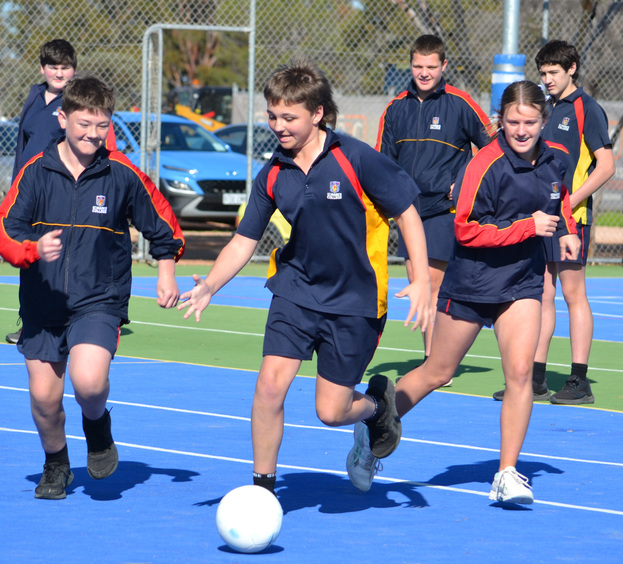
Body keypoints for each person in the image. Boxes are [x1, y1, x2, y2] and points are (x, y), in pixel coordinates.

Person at [178, 58, 433, 498]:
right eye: (272, 116)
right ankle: (263, 488)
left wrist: (424, 279)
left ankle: (376, 408)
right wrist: (208, 286)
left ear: (317, 114)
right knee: (269, 385)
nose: (278, 125)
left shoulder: (354, 158)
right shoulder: (274, 172)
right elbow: (243, 240)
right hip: (295, 291)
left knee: (331, 412)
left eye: (289, 117)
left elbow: (406, 212)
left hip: (355, 301)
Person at [348, 81, 579, 501]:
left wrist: (566, 231)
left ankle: (506, 473)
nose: (521, 130)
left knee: (521, 374)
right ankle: (371, 429)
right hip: (472, 282)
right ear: (500, 120)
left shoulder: (556, 160)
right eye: (512, 122)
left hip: (522, 283)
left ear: (544, 121)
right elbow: (466, 229)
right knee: (438, 372)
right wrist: (528, 227)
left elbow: (558, 199)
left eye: (530, 122)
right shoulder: (484, 163)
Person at [0, 77, 185, 499]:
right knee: (45, 399)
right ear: (63, 118)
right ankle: (56, 464)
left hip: (99, 299)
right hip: (43, 304)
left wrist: (166, 268)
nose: (92, 134)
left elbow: (162, 221)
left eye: (101, 126)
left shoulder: (121, 173)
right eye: (83, 124)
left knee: (89, 382)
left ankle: (97, 429)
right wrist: (31, 248)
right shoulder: (36, 171)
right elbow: (5, 226)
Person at [492, 40, 614, 405]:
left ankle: (579, 380)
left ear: (572, 68)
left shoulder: (586, 109)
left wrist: (569, 203)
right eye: (542, 73)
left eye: (553, 73)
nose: (546, 79)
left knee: (574, 295)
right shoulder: (543, 111)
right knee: (541, 294)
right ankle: (536, 377)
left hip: (570, 219)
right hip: (540, 219)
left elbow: (605, 165)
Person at [376, 35, 490, 374]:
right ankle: (433, 359)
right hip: (408, 211)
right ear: (410, 66)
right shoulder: (396, 107)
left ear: (443, 67)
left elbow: (492, 148)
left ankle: (436, 362)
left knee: (433, 283)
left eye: (430, 67)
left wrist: (465, 179)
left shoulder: (460, 103)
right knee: (418, 285)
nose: (424, 73)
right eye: (417, 66)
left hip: (445, 208)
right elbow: (383, 163)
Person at [5, 39, 78, 344]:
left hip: (59, 192)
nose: (59, 73)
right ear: (42, 69)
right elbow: (22, 147)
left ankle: (74, 322)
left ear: (74, 70)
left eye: (65, 67)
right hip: (28, 193)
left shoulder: (76, 101)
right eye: (53, 67)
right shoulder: (35, 96)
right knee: (29, 257)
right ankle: (30, 322)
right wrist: (14, 190)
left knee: (63, 258)